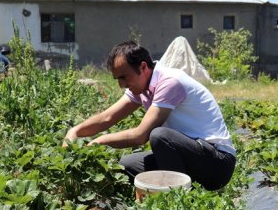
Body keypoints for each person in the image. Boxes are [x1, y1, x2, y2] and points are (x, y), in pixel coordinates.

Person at [63, 41, 236, 191]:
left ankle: (179, 201)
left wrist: (98, 142)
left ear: (143, 67)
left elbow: (140, 136)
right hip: (189, 155)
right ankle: (169, 192)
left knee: (160, 136)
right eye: (118, 79)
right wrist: (75, 131)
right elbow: (107, 118)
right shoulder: (142, 87)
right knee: (125, 165)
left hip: (217, 164)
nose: (121, 85)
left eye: (124, 77)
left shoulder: (170, 82)